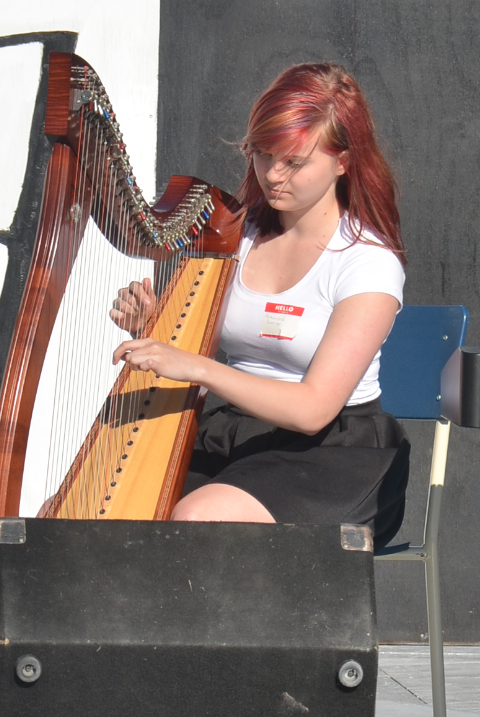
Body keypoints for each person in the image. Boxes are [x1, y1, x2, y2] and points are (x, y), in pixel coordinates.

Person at [110, 62, 409, 548]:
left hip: (331, 454)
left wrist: (197, 368)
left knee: (196, 519)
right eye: (263, 154)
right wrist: (153, 329)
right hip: (236, 437)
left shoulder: (367, 263)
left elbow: (314, 409)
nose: (272, 175)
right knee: (112, 519)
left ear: (343, 162)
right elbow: (194, 345)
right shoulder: (235, 237)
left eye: (294, 161)